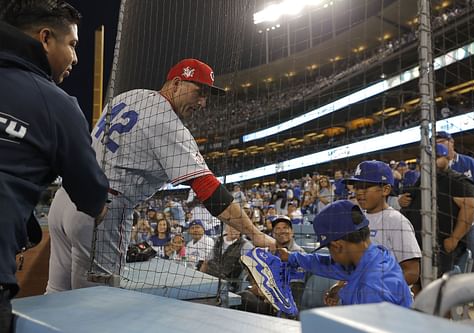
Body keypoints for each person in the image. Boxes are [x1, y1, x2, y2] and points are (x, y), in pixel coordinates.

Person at [46, 58, 276, 293]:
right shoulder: (169, 123)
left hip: (66, 198)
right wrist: (255, 234)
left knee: (57, 293)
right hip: (101, 210)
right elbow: (207, 188)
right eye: (199, 92)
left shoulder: (131, 95)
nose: (203, 102)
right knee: (92, 303)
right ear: (176, 84)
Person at [0, 1, 109, 330]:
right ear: (45, 38)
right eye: (72, 44)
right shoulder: (56, 104)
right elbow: (92, 198)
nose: (75, 57)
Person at [277, 200, 412, 307]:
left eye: (330, 249)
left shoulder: (371, 289)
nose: (332, 256)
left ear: (337, 246)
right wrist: (290, 256)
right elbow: (324, 264)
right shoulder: (374, 255)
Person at [400, 144, 474, 277]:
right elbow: (410, 200)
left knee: (441, 286)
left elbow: (469, 210)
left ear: (447, 158)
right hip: (420, 243)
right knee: (419, 282)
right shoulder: (423, 180)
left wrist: (454, 239)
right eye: (428, 158)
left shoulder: (458, 180)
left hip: (441, 246)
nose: (432, 161)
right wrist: (402, 201)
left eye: (437, 157)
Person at [343, 161, 421, 285]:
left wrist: (378, 288)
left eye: (366, 187)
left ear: (385, 190)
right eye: (357, 187)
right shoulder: (358, 219)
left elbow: (412, 272)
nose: (359, 192)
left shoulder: (396, 221)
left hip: (389, 301)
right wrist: (341, 285)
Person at [436, 132, 474, 296]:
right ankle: (449, 295)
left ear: (451, 142)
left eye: (442, 141)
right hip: (446, 223)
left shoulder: (470, 164)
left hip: (469, 220)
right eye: (437, 142)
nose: (440, 144)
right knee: (446, 258)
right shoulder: (435, 166)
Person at [200, 225, 253, 291]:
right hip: (209, 278)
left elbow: (250, 268)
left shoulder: (246, 245)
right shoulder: (219, 240)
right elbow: (206, 261)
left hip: (227, 283)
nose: (234, 229)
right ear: (226, 227)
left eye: (237, 227)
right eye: (231, 226)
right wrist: (200, 278)